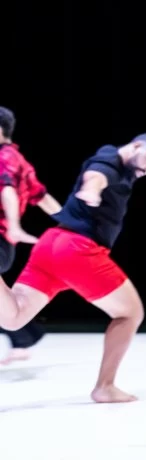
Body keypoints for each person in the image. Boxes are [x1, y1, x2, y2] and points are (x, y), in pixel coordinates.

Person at [0, 106, 146, 402]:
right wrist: (92, 191)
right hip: (78, 250)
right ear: (136, 147)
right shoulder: (108, 162)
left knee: (14, 318)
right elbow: (95, 176)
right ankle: (105, 387)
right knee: (130, 313)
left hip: (51, 245)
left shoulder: (134, 158)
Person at [0, 106, 65, 364]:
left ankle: (25, 335)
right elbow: (42, 197)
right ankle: (25, 336)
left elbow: (7, 191)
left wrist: (14, 225)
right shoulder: (18, 159)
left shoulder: (4, 158)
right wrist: (73, 227)